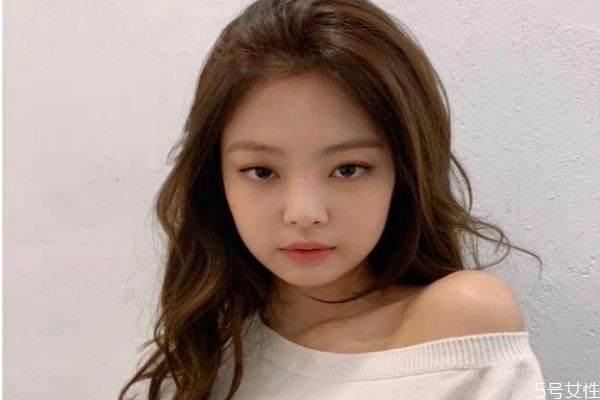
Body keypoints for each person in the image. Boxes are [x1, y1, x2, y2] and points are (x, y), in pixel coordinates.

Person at [119, 0, 546, 399]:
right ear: (216, 180)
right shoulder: (203, 356)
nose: (304, 213)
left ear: (403, 172)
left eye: (348, 169)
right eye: (262, 171)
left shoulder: (457, 322)